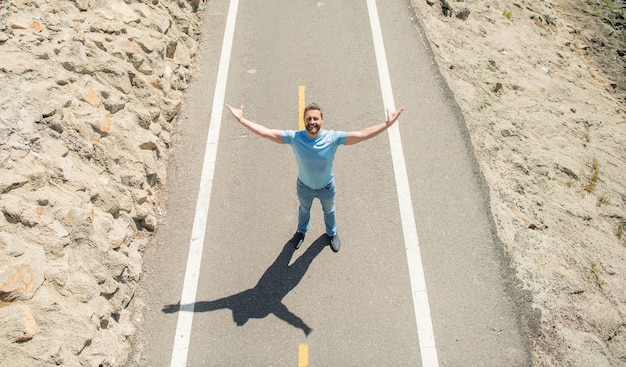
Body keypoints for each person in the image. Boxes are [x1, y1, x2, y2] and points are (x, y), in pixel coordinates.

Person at [225, 102, 405, 253]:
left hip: (327, 187)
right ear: (304, 120)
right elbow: (266, 133)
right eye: (309, 119)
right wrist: (241, 120)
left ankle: (331, 233)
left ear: (322, 120)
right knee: (304, 210)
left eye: (315, 118)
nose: (312, 122)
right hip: (304, 187)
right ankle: (301, 232)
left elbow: (362, 134)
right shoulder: (295, 137)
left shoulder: (333, 138)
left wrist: (387, 124)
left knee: (329, 210)